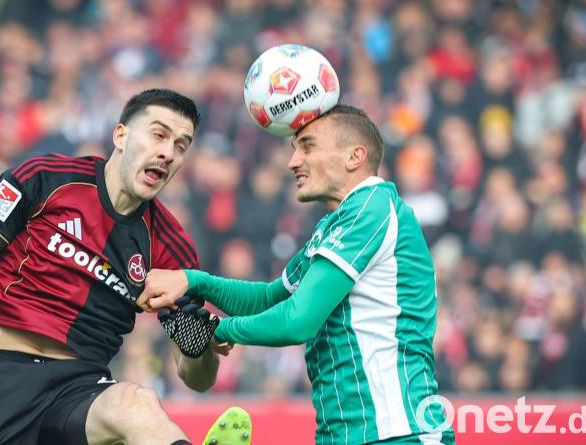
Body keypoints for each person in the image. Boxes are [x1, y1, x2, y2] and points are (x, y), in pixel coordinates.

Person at [0, 89, 252, 445]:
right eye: (159, 135)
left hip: (80, 389)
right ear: (121, 135)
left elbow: (197, 379)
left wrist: (196, 345)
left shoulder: (172, 248)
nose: (168, 153)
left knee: (137, 405)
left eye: (181, 146)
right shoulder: (44, 179)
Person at [139, 105, 455, 445]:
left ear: (354, 157)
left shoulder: (372, 208)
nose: (293, 161)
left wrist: (217, 330)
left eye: (307, 146)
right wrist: (193, 280)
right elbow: (268, 299)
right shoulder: (335, 225)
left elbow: (297, 320)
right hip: (346, 434)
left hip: (398, 433)